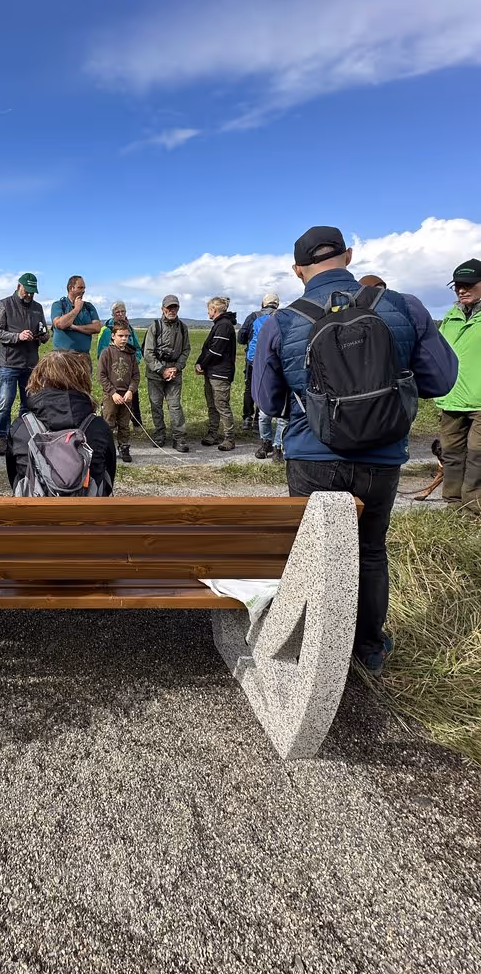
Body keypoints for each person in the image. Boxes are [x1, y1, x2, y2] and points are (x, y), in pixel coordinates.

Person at [252, 225, 458, 676]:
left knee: (310, 551)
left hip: (312, 455)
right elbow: (441, 380)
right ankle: (367, 646)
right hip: (381, 457)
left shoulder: (281, 322)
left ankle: (310, 642)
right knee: (370, 550)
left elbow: (267, 401)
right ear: (348, 255)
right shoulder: (405, 307)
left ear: (297, 270)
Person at [7, 350, 116, 494]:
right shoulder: (98, 427)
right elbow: (109, 474)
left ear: (38, 379)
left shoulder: (21, 428)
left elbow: (14, 476)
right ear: (82, 380)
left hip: (34, 513)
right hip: (88, 514)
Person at [435, 258, 481, 513]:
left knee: (477, 455)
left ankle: (474, 508)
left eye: (469, 285)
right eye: (457, 286)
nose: (462, 290)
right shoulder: (451, 317)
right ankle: (453, 505)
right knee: (451, 453)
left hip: (480, 399)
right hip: (451, 397)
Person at [0, 273, 49, 456]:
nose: (30, 295)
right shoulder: (5, 304)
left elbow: (45, 332)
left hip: (31, 363)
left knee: (28, 404)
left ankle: (22, 435)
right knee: (5, 403)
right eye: (27, 291)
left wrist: (43, 335)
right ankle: (2, 437)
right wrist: (18, 336)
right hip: (10, 363)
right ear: (18, 286)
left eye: (33, 292)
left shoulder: (38, 308)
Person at [143, 294, 191, 451]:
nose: (172, 310)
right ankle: (159, 435)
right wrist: (162, 370)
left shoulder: (183, 327)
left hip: (174, 372)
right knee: (156, 405)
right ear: (162, 309)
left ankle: (179, 438)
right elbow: (148, 353)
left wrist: (177, 367)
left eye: (174, 307)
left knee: (175, 405)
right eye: (169, 307)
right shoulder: (154, 327)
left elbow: (186, 350)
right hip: (155, 373)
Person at [195, 297, 238, 451]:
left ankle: (229, 438)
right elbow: (209, 349)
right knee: (212, 406)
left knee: (221, 406)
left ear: (214, 310)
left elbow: (215, 351)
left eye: (209, 309)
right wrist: (201, 364)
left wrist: (202, 364)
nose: (208, 312)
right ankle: (213, 434)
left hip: (220, 373)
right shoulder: (220, 325)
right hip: (213, 372)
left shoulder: (224, 326)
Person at [97, 301, 143, 429]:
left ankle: (135, 423)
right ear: (113, 314)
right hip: (113, 373)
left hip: (129, 372)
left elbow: (137, 348)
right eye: (118, 312)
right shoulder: (107, 330)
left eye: (123, 311)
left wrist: (134, 360)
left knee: (132, 399)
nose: (121, 314)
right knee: (110, 407)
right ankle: (108, 430)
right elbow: (101, 352)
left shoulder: (130, 330)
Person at [98, 320, 140, 463]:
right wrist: (112, 392)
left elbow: (136, 376)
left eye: (126, 336)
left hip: (126, 395)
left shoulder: (131, 354)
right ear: (113, 336)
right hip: (111, 395)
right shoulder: (106, 353)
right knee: (108, 422)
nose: (124, 339)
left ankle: (124, 447)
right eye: (121, 336)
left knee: (124, 423)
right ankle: (107, 448)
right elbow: (101, 375)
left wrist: (130, 391)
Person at [238, 292, 280, 431]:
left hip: (253, 359)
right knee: (266, 389)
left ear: (263, 303)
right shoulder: (281, 317)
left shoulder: (253, 316)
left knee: (249, 388)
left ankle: (247, 419)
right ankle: (259, 421)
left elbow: (241, 338)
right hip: (272, 359)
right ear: (277, 305)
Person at [50, 275, 101, 356]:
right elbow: (60, 324)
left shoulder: (88, 306)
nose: (83, 291)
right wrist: (77, 309)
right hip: (62, 358)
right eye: (80, 288)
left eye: (84, 288)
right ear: (71, 288)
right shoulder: (58, 305)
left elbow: (97, 327)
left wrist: (74, 327)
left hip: (83, 357)